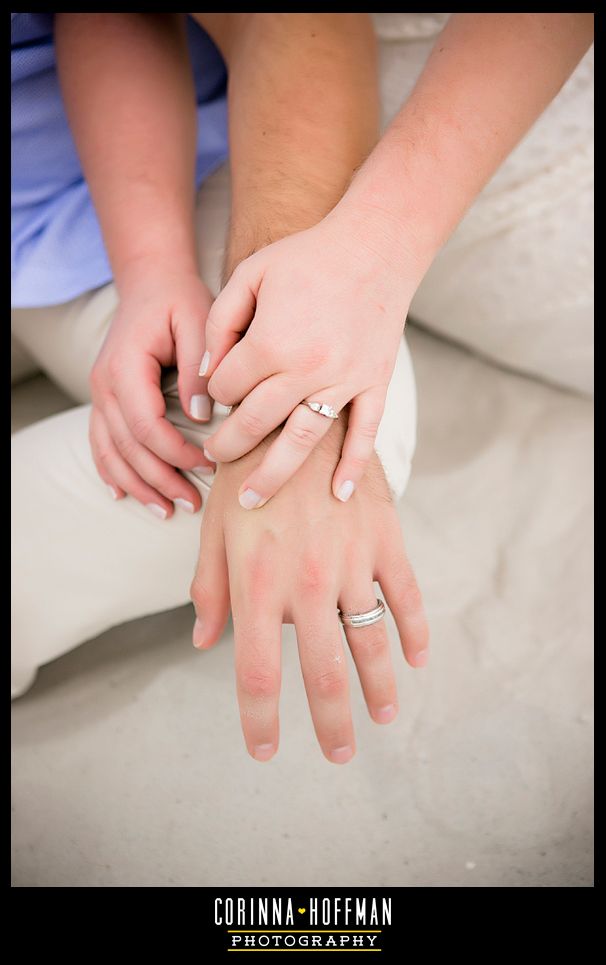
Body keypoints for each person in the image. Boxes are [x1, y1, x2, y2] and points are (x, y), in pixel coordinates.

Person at [11, 14, 593, 765]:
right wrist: (150, 267)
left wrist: (164, 273)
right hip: (119, 208)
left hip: (133, 181)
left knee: (348, 445)